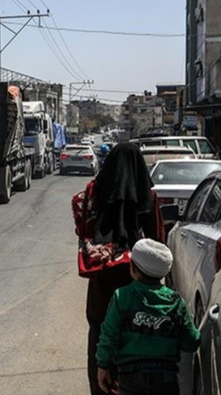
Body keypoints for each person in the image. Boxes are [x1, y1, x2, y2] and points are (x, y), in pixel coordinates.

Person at [73, 142, 166, 395]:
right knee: (136, 335)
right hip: (138, 277)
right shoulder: (147, 194)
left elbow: (83, 230)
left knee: (100, 332)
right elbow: (157, 240)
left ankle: (101, 388)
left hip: (103, 279)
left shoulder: (95, 190)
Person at [96, 238, 200, 394]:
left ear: (133, 268)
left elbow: (109, 336)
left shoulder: (121, 297)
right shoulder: (176, 302)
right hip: (166, 380)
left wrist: (102, 365)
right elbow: (190, 343)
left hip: (130, 378)